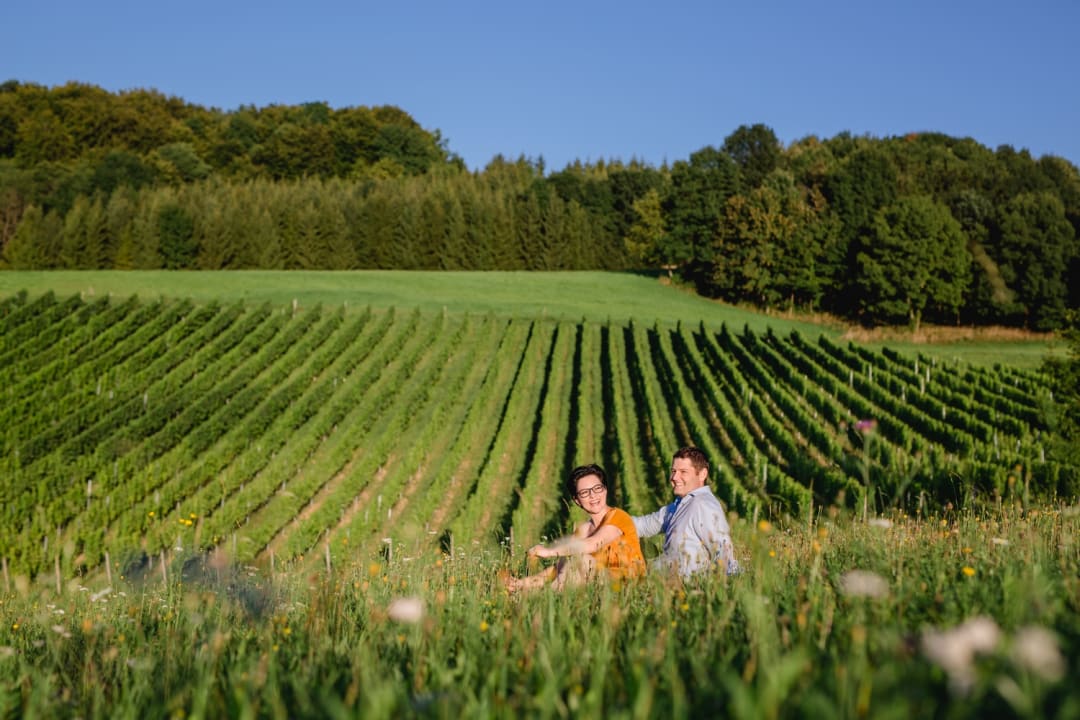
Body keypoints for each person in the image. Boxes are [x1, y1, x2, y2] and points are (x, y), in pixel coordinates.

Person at [503, 464, 645, 591]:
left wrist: (548, 551)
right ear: (577, 501)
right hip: (599, 587)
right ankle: (545, 598)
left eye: (597, 488)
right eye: (585, 492)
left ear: (605, 490)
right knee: (569, 561)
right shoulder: (583, 530)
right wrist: (522, 583)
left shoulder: (619, 517)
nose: (593, 495)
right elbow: (558, 569)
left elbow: (592, 544)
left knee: (581, 559)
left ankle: (549, 599)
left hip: (629, 584)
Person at [632, 446, 740, 578]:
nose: (674, 477)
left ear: (702, 474)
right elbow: (642, 525)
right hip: (664, 590)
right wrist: (605, 518)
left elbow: (723, 552)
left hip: (687, 592)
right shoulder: (679, 505)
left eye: (683, 472)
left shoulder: (703, 505)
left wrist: (733, 588)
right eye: (673, 471)